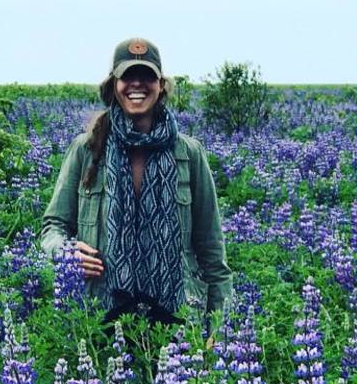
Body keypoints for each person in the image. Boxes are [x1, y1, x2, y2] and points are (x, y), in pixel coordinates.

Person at [41, 37, 232, 325]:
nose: (137, 85)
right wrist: (66, 253)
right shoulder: (87, 149)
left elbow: (212, 252)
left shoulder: (189, 154)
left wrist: (218, 327)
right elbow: (53, 226)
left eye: (147, 76)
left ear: (161, 85)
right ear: (113, 85)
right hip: (101, 313)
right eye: (128, 76)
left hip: (177, 315)